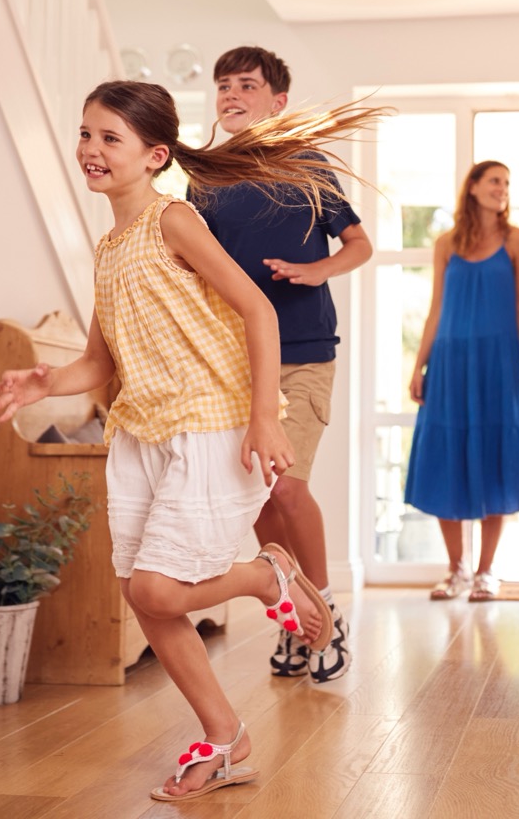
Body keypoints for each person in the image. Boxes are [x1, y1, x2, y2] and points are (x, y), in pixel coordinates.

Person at [0, 80, 379, 802]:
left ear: (155, 155)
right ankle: (226, 739)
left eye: (110, 138)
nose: (91, 150)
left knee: (157, 586)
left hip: (207, 425)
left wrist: (265, 416)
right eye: (86, 134)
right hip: (141, 433)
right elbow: (99, 363)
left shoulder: (174, 221)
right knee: (147, 599)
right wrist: (46, 382)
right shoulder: (108, 249)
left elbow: (259, 311)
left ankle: (270, 577)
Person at [194, 45, 370, 683]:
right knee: (259, 500)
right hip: (233, 362)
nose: (232, 96)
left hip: (302, 354)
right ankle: (294, 616)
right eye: (223, 87)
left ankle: (324, 612)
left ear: (278, 102)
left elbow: (358, 243)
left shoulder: (309, 165)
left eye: (246, 85)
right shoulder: (206, 175)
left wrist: (315, 270)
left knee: (288, 487)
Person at [403, 161, 519, 601]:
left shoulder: (518, 240)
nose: (502, 189)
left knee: (494, 456)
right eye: (495, 181)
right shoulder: (446, 243)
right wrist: (419, 364)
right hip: (449, 361)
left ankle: (487, 571)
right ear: (473, 188)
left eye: (507, 182)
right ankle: (456, 569)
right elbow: (435, 308)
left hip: (499, 360)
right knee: (448, 456)